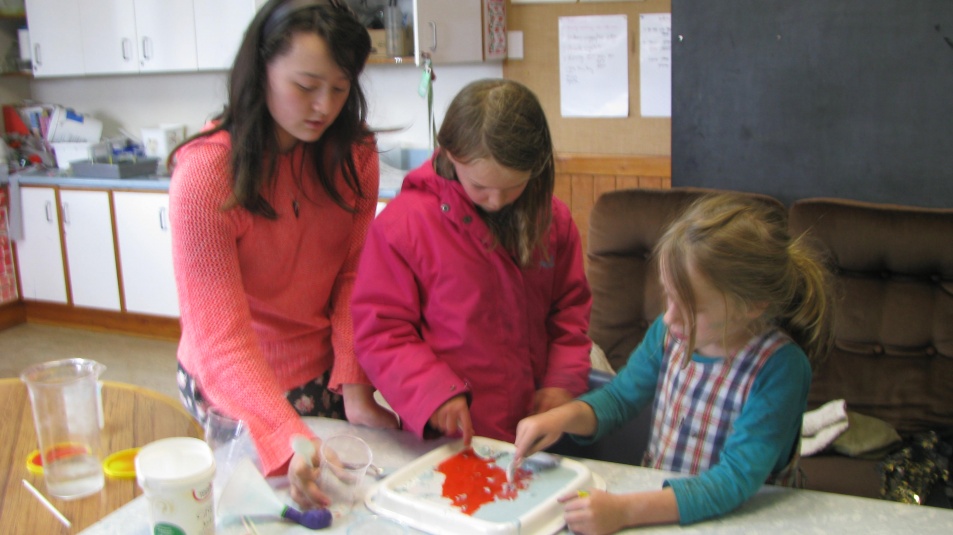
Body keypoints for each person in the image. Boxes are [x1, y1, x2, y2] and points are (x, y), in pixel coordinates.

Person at [168, 0, 397, 509]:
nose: (324, 106)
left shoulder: (354, 155)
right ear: (261, 69)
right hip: (233, 378)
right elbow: (220, 341)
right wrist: (283, 437)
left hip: (320, 367)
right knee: (263, 506)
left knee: (348, 500)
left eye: (340, 89)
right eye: (306, 86)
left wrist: (356, 389)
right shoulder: (207, 176)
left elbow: (351, 277)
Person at [513, 192, 834, 534]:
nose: (668, 318)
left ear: (752, 305)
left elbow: (734, 480)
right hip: (666, 512)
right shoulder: (670, 334)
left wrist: (623, 511)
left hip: (748, 520)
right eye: (668, 296)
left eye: (692, 307)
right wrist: (561, 418)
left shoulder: (781, 368)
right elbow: (620, 399)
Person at [351, 78, 592, 446]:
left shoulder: (553, 222)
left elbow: (570, 315)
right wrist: (433, 392)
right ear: (449, 156)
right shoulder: (403, 227)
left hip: (536, 434)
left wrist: (562, 383)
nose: (496, 200)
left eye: (513, 187)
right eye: (480, 187)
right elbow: (381, 331)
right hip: (452, 439)